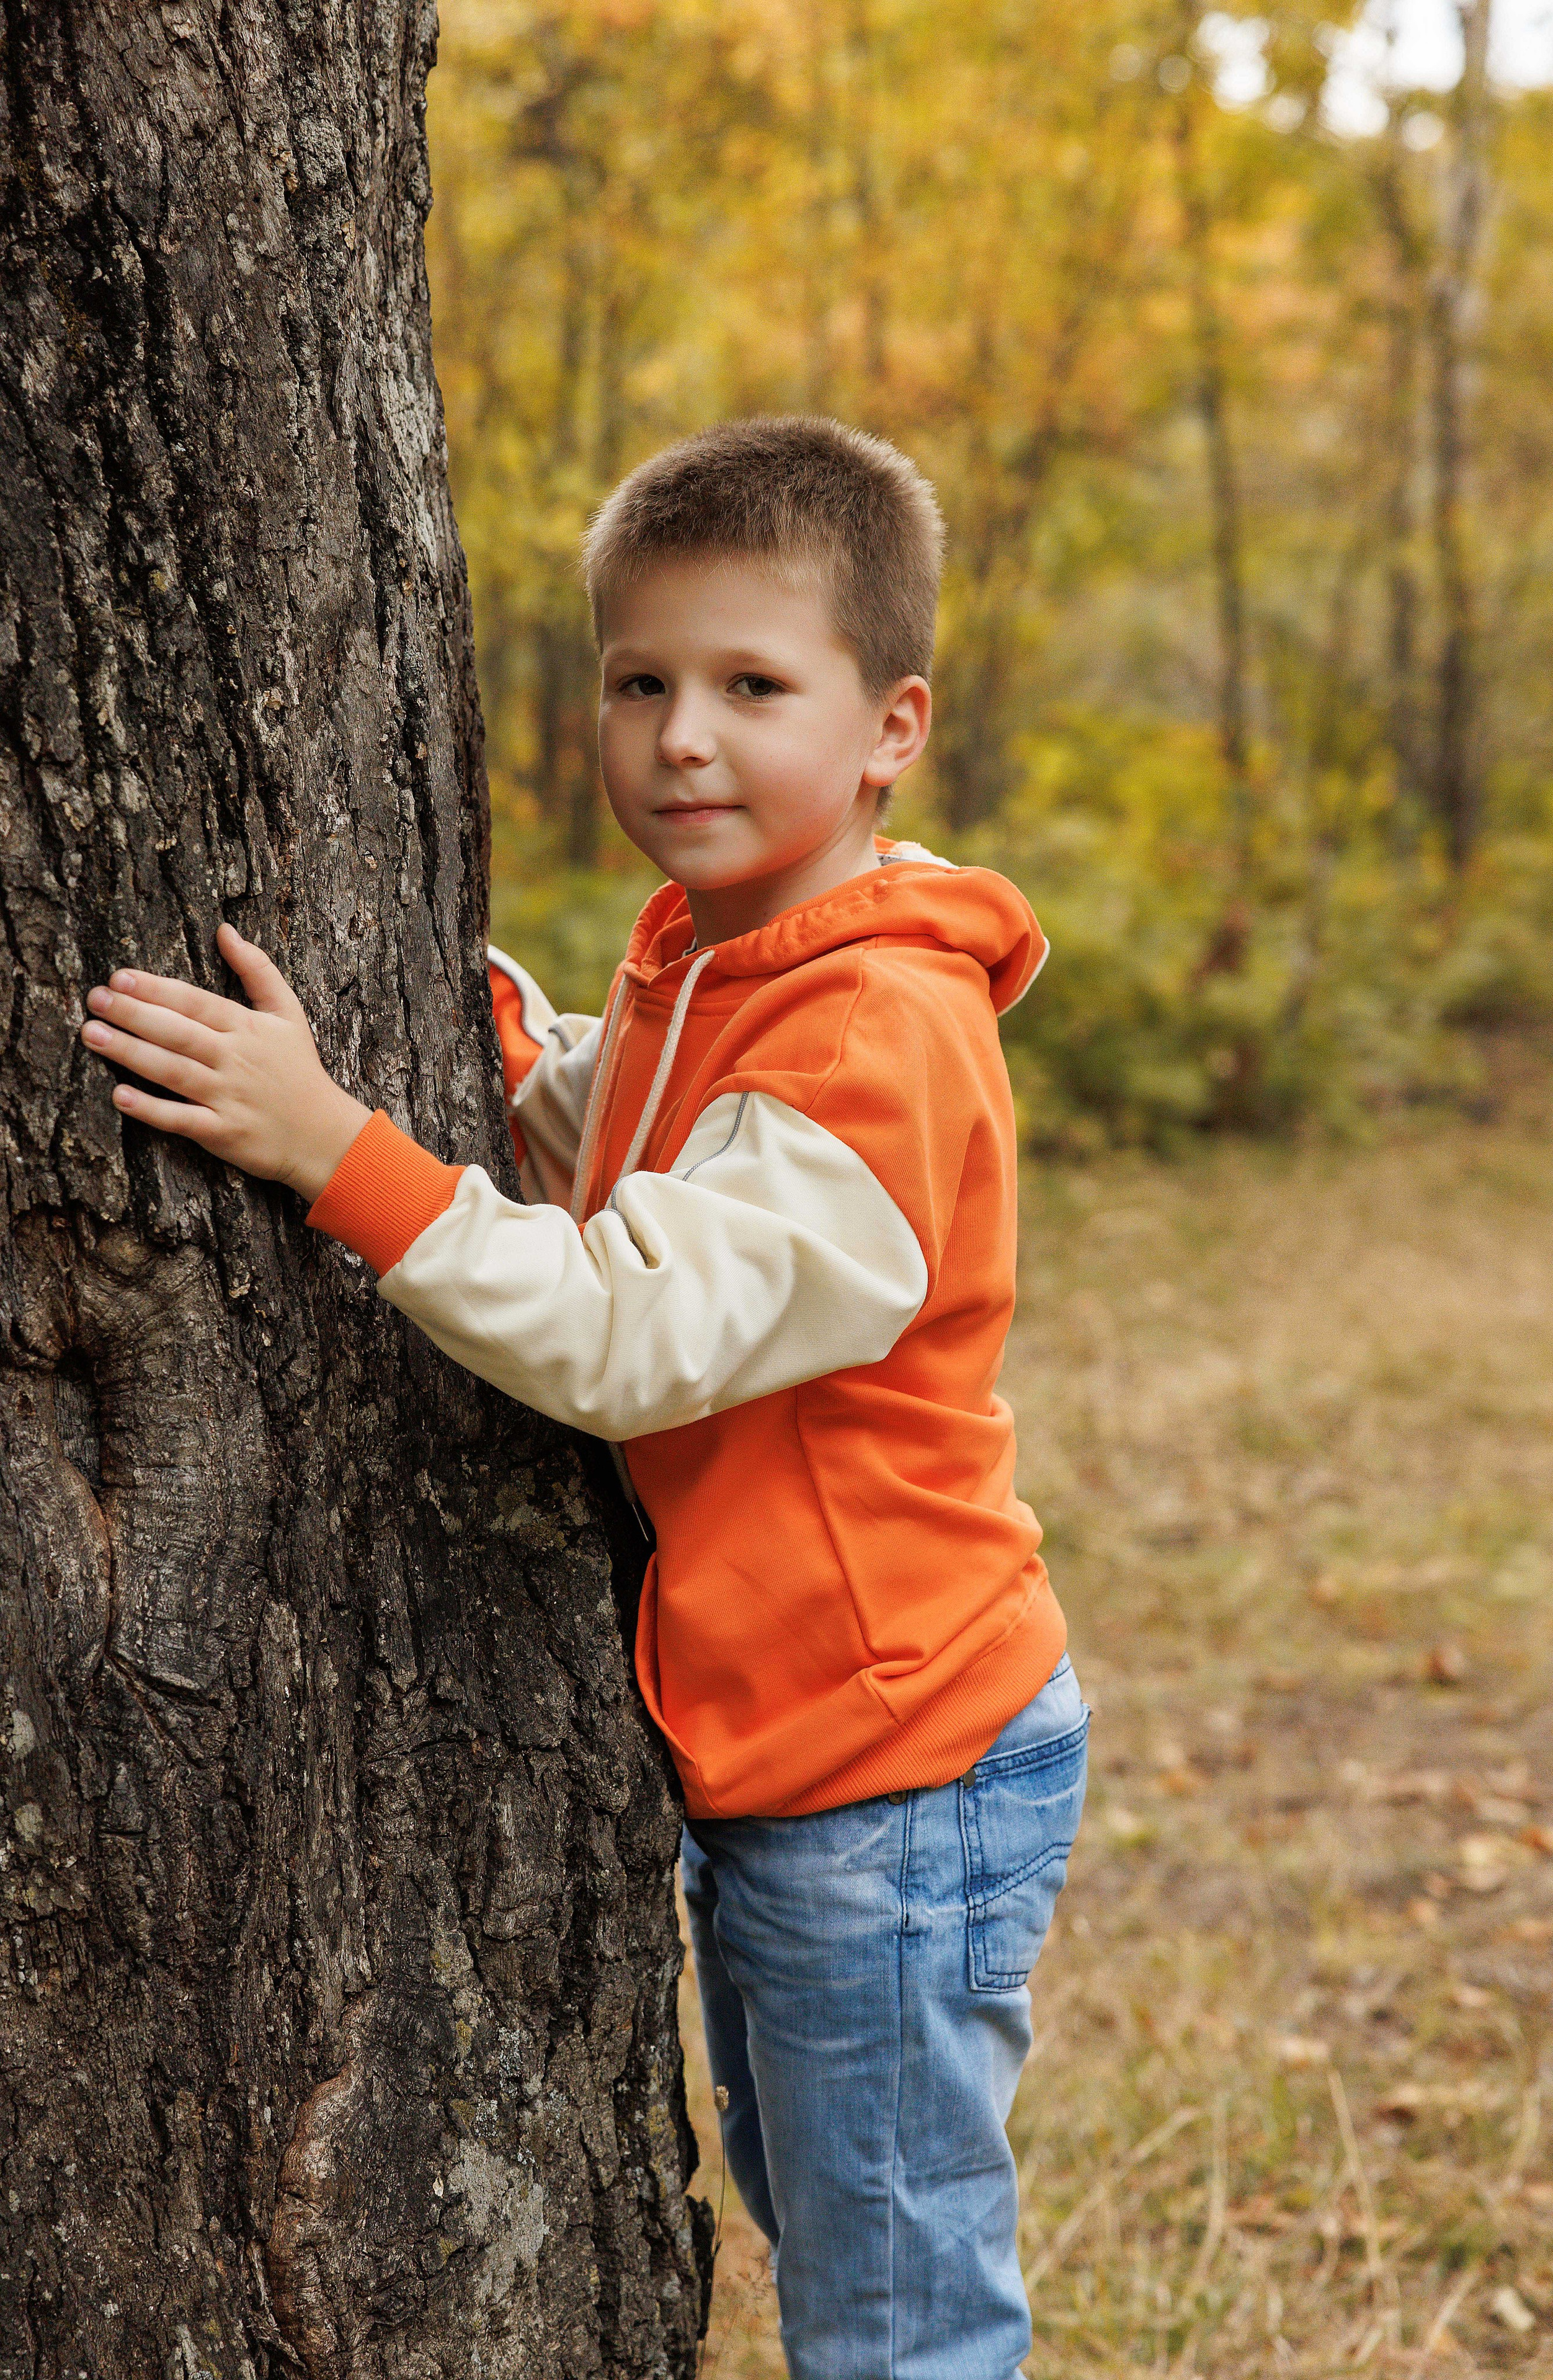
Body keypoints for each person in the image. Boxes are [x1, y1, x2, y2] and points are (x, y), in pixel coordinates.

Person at [79, 415, 1088, 2380]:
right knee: (834, 2226)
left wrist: (341, 1152)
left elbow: (639, 1320)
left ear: (891, 725)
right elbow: (656, 1169)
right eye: (641, 682)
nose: (681, 738)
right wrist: (522, 1053)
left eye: (750, 687)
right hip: (807, 1736)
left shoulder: (880, 1030)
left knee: (895, 2305)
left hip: (891, 1762)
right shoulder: (726, 958)